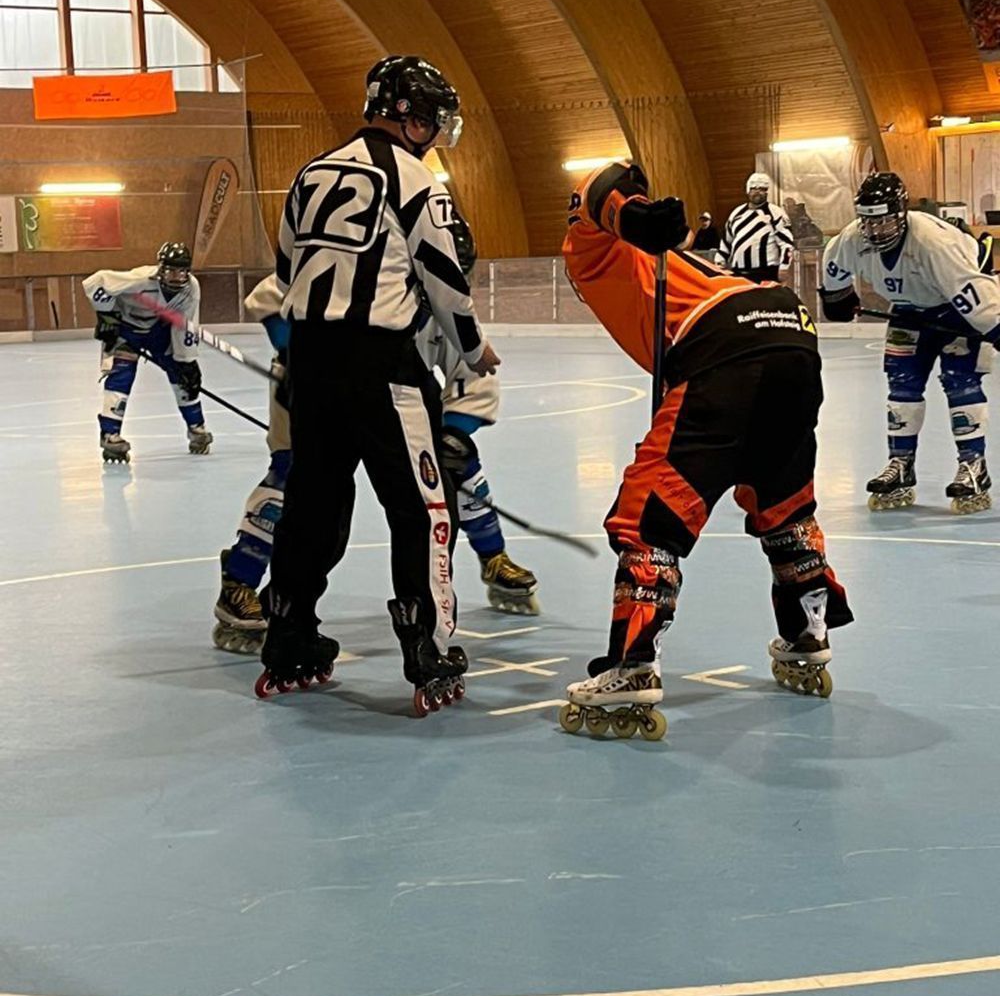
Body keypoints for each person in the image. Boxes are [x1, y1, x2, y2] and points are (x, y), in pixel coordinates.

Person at [560, 162, 852, 735]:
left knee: (650, 512)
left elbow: (596, 190)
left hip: (720, 340)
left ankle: (632, 665)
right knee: (782, 499)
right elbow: (604, 197)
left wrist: (631, 213)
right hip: (789, 330)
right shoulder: (661, 253)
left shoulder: (592, 247)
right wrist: (641, 218)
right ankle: (806, 633)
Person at [259, 55, 501, 714]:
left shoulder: (312, 171)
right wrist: (474, 350)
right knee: (419, 506)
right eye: (429, 120)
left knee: (312, 502)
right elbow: (444, 277)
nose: (432, 134)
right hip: (381, 364)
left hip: (310, 363)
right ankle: (425, 645)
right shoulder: (414, 177)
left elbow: (286, 263)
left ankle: (289, 633)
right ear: (406, 113)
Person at [821, 172, 1000, 514]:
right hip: (907, 309)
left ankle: (974, 465)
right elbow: (834, 270)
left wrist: (996, 329)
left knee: (960, 382)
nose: (874, 231)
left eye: (884, 221)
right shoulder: (850, 241)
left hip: (956, 310)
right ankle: (901, 464)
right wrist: (837, 296)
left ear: (901, 215)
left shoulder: (935, 244)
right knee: (901, 384)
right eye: (868, 222)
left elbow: (974, 298)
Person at [417, 212, 539, 616]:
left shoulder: (443, 311)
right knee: (293, 477)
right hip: (328, 390)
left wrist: (455, 434)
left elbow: (473, 374)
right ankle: (244, 578)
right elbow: (274, 297)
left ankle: (493, 557)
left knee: (462, 461)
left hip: (402, 404)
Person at [213, 273, 289, 653]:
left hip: (368, 384)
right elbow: (267, 294)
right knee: (289, 474)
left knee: (332, 496)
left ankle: (289, 591)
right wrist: (291, 349)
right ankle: (240, 580)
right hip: (305, 380)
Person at [82, 242, 211, 464]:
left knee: (182, 377)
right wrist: (107, 316)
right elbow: (95, 282)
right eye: (170, 270)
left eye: (181, 271)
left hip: (158, 331)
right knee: (121, 375)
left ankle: (197, 429)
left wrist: (187, 360)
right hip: (126, 329)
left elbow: (186, 324)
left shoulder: (191, 288)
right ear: (160, 268)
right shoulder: (140, 279)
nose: (175, 276)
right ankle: (110, 434)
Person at [721, 172, 795, 283]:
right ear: (748, 190)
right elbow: (726, 241)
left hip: (766, 272)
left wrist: (784, 266)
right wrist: (720, 262)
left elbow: (787, 243)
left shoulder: (776, 213)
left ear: (767, 191)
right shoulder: (736, 213)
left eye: (762, 188)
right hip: (738, 273)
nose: (757, 191)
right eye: (753, 188)